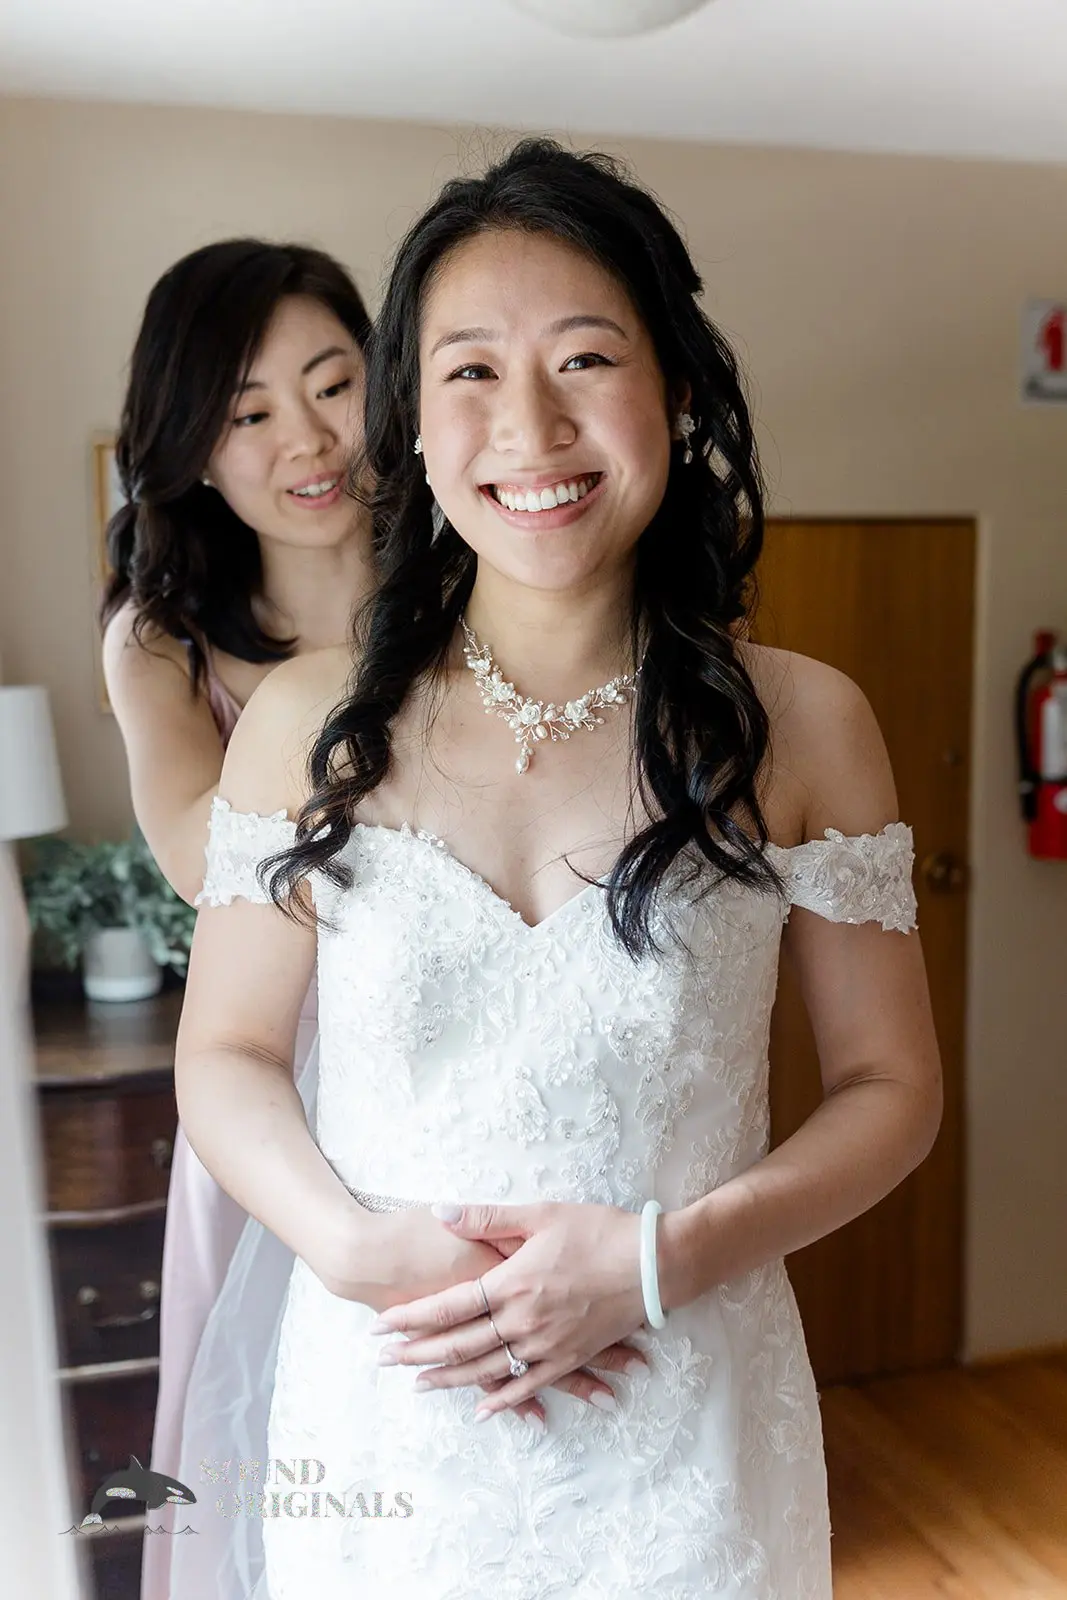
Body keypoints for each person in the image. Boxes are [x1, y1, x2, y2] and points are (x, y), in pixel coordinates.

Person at [175, 141, 943, 1598]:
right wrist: (348, 1248)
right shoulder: (309, 724)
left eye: (585, 358)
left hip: (685, 1432)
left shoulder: (804, 725)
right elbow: (226, 1053)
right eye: (469, 371)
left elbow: (890, 1089)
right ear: (411, 423)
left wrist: (660, 1260)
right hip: (388, 1417)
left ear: (681, 391)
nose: (529, 426)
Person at [99, 238, 374, 1598]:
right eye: (250, 412)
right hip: (274, 1075)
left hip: (471, 1038)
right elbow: (203, 861)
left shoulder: (479, 580)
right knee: (278, 1455)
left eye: (334, 384)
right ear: (194, 449)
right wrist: (355, 696)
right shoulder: (159, 640)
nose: (308, 440)